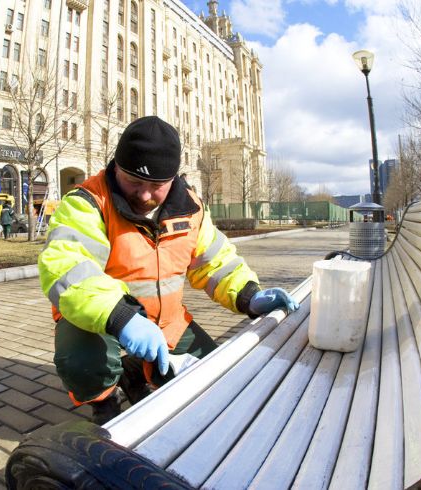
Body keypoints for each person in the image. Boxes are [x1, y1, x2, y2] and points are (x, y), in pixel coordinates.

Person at [38, 116, 299, 424]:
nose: (145, 195)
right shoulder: (87, 203)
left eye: (157, 186)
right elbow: (69, 267)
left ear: (173, 179)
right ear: (116, 167)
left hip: (168, 324)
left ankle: (135, 372)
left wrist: (249, 295)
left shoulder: (190, 207)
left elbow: (215, 262)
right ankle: (105, 404)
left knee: (209, 379)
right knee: (80, 357)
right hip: (102, 322)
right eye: (134, 182)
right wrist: (122, 318)